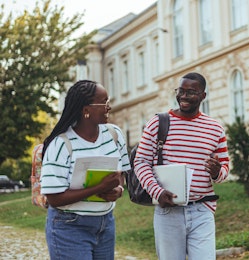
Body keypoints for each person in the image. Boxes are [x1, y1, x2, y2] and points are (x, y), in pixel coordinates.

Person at [134, 72, 230, 260]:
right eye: (181, 91)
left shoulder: (215, 128)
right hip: (168, 210)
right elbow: (141, 162)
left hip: (202, 210)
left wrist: (218, 172)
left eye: (191, 92)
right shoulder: (157, 123)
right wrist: (157, 191)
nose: (184, 97)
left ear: (203, 96)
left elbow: (225, 169)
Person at [40, 80, 130, 259]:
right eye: (103, 102)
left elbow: (121, 175)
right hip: (69, 226)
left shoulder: (114, 135)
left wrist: (118, 190)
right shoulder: (61, 145)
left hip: (105, 224)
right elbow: (53, 198)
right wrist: (99, 188)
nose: (108, 107)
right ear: (86, 110)